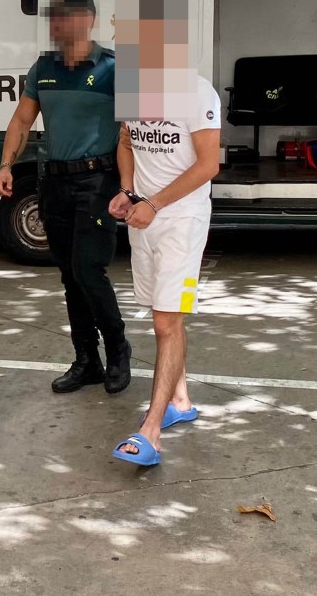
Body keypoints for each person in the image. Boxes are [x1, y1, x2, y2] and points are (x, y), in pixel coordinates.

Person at [0, 0, 132, 396]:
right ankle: (86, 359)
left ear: (89, 19)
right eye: (55, 18)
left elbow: (131, 135)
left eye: (68, 16)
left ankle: (119, 350)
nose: (59, 24)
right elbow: (21, 121)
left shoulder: (115, 67)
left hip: (98, 181)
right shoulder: (43, 67)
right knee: (70, 276)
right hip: (53, 182)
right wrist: (4, 165)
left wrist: (129, 189)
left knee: (90, 269)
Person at [109, 74, 221, 466]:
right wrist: (127, 190)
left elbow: (209, 165)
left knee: (165, 322)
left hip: (183, 222)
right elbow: (126, 142)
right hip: (144, 218)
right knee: (165, 315)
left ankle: (151, 432)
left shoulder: (196, 92)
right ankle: (180, 400)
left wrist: (154, 203)